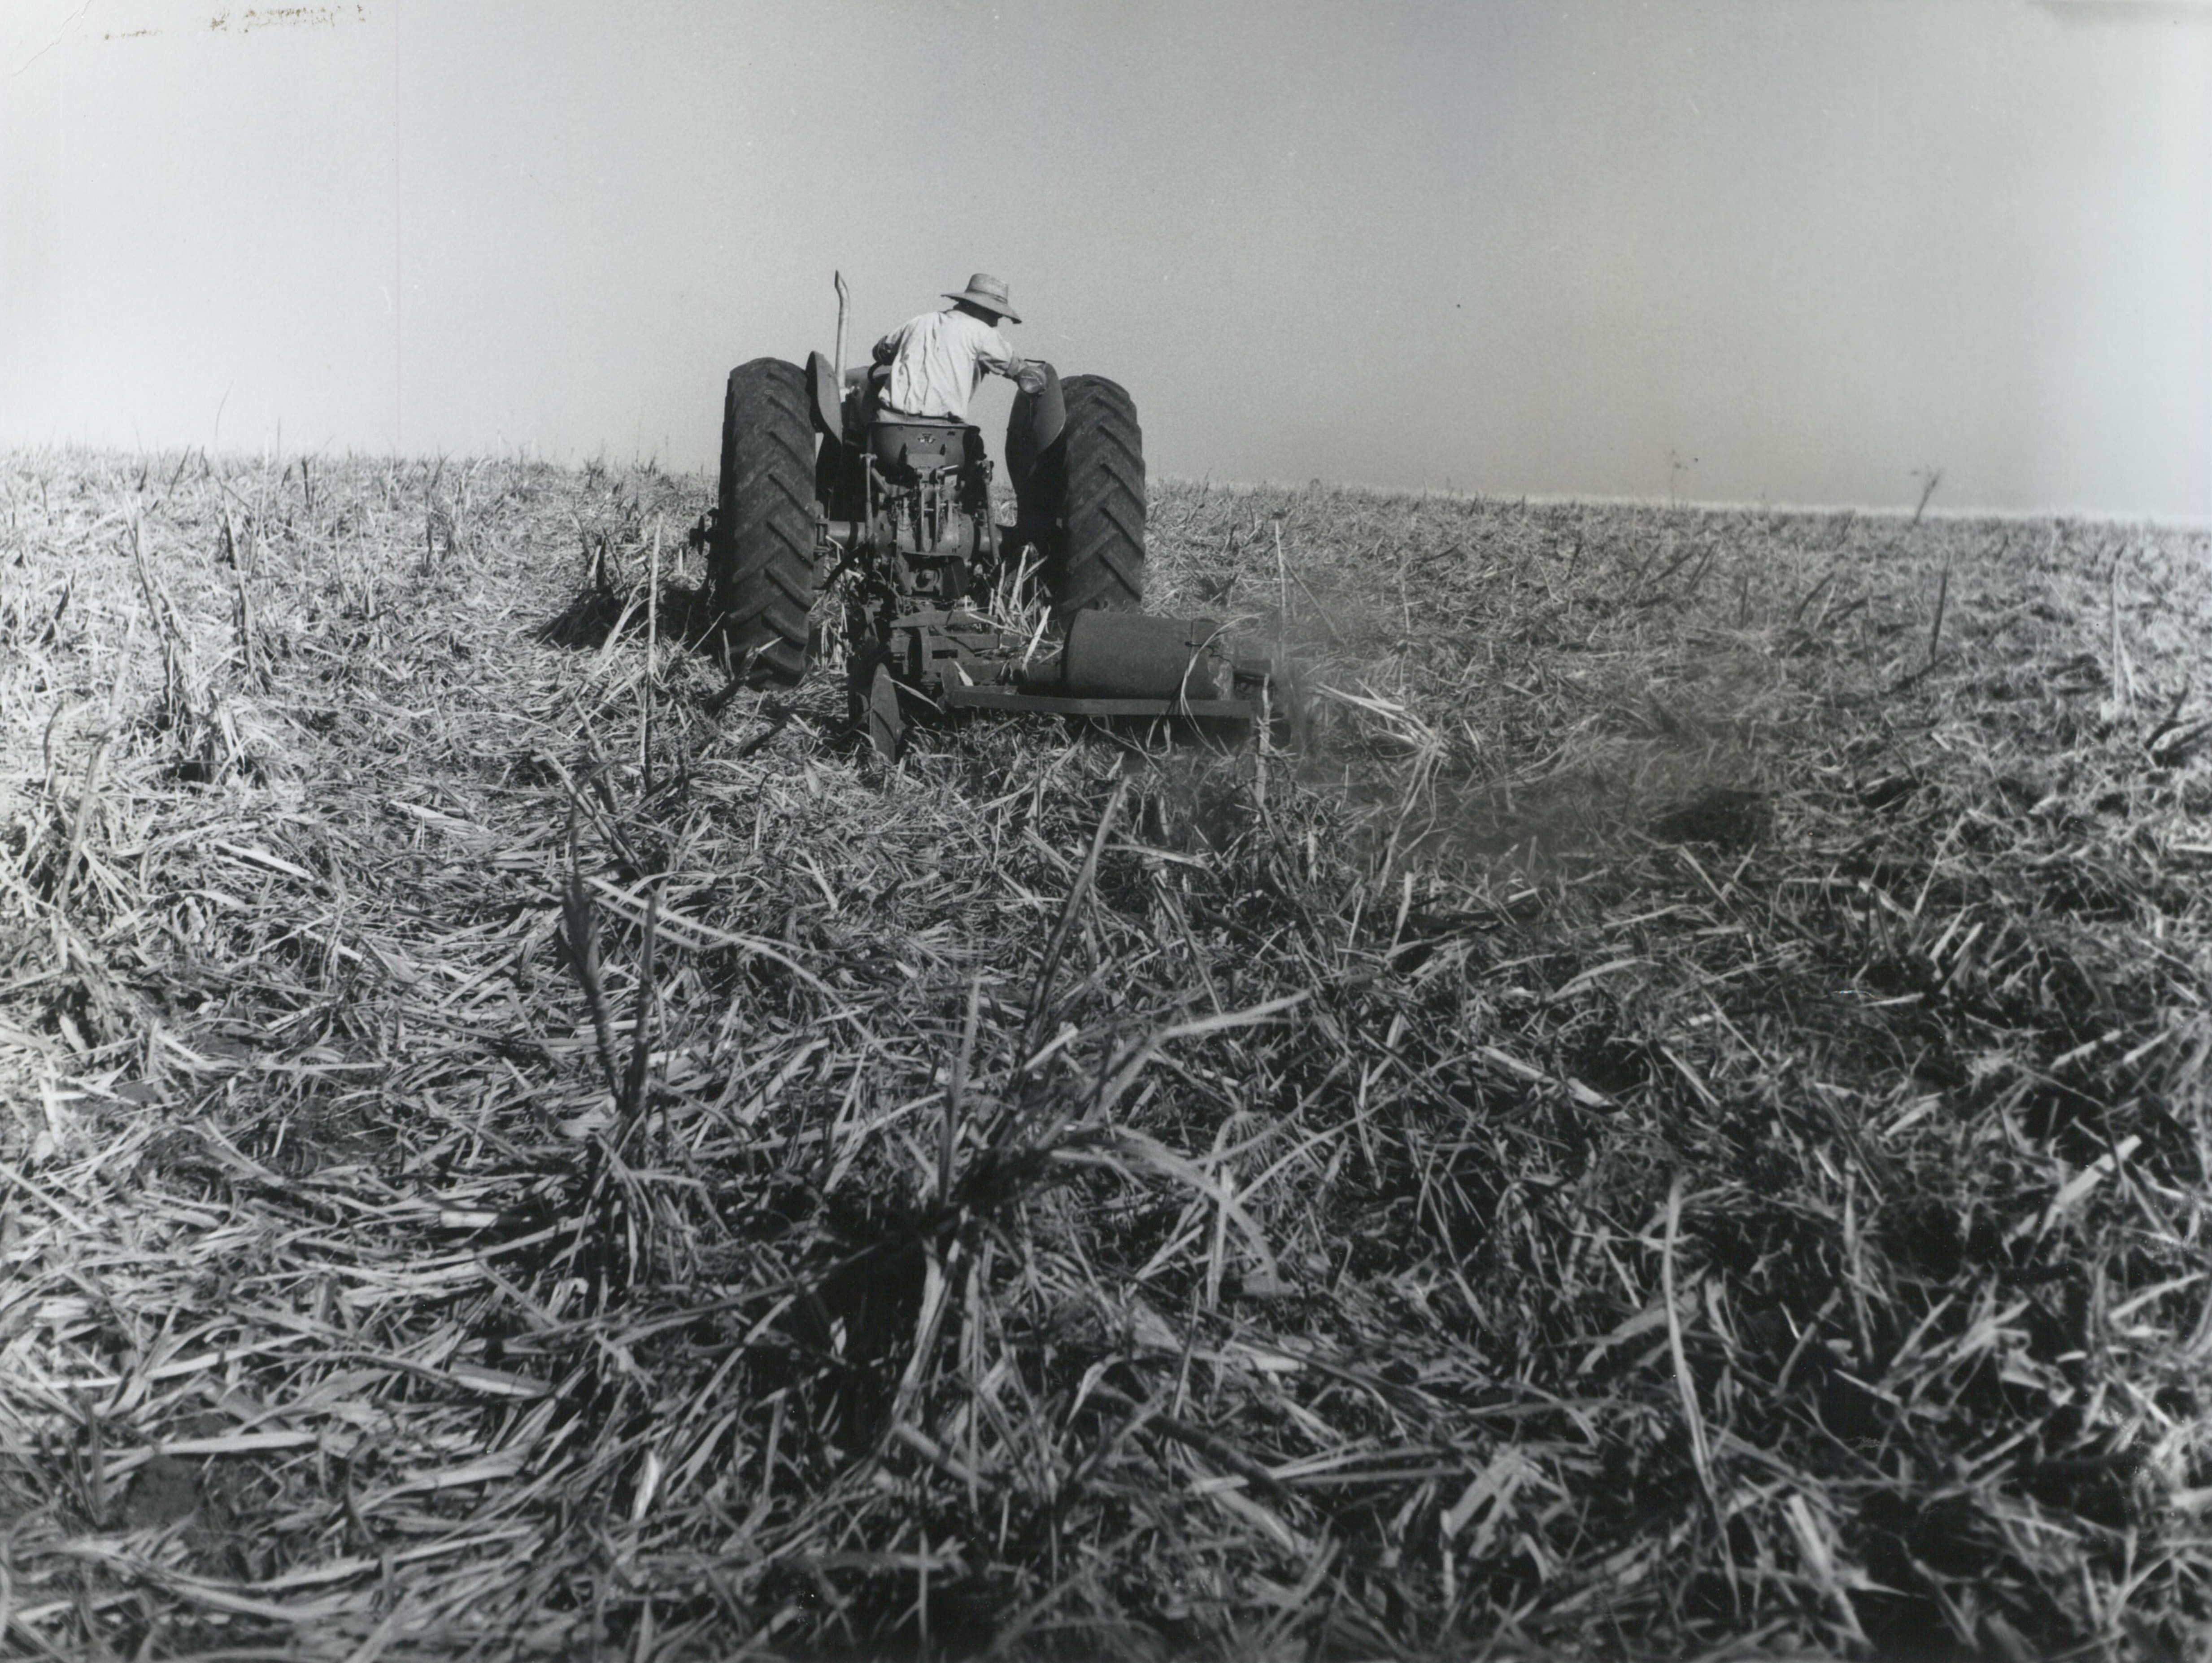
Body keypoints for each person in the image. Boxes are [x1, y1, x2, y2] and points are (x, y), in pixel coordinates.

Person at [871, 273, 1051, 421]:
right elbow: (1019, 370)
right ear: (981, 308)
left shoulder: (919, 322)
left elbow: (880, 350)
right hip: (944, 431)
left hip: (889, 429)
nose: (996, 322)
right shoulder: (984, 334)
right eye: (995, 314)